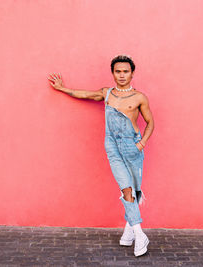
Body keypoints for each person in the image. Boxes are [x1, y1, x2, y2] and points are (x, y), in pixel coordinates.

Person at [47, 54, 155, 257]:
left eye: (125, 71)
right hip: (113, 148)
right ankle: (140, 234)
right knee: (126, 188)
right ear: (113, 73)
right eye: (118, 71)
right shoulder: (107, 94)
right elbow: (85, 94)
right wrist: (63, 88)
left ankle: (129, 229)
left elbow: (151, 123)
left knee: (135, 190)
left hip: (133, 148)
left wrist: (141, 144)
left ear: (132, 73)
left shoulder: (140, 97)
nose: (122, 75)